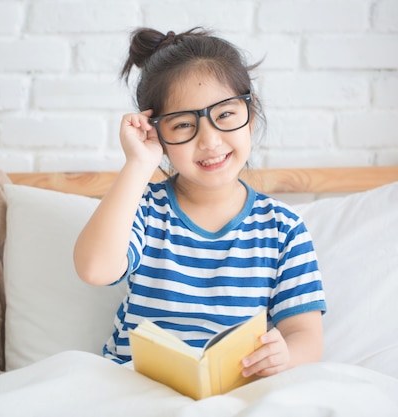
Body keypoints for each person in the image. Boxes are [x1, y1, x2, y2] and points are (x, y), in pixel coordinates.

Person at [73, 27, 326, 379]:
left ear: (250, 114)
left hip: (237, 388)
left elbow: (307, 336)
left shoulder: (284, 229)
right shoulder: (145, 209)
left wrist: (286, 355)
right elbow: (95, 269)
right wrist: (139, 164)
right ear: (157, 132)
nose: (209, 141)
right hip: (135, 385)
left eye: (224, 115)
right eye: (182, 125)